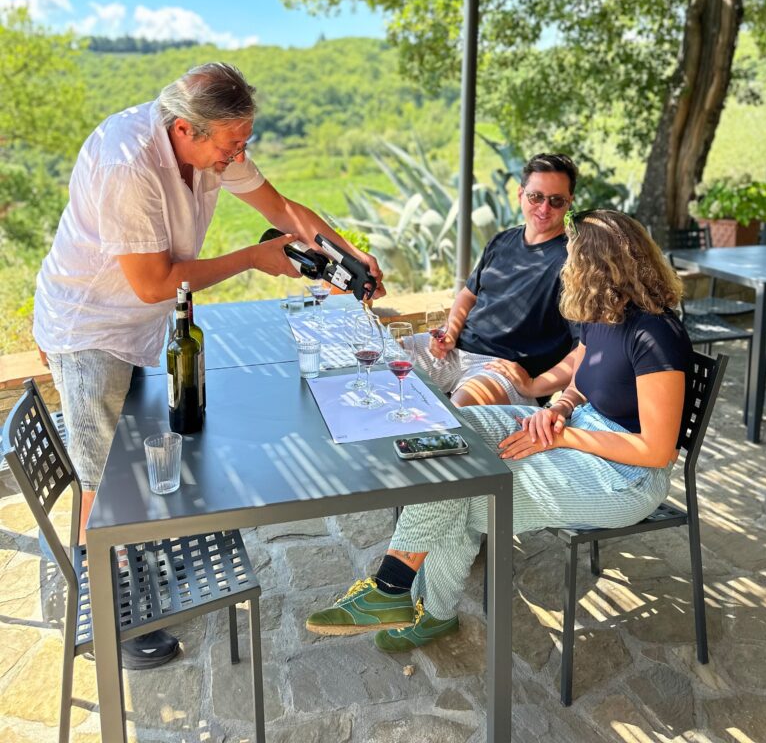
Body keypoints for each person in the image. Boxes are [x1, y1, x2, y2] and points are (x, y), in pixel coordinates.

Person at [34, 61, 383, 668]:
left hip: (138, 326)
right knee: (105, 485)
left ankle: (129, 562)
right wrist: (252, 259)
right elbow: (154, 283)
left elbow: (280, 207)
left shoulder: (212, 139)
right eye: (231, 146)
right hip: (90, 330)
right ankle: (110, 620)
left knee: (131, 466)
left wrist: (348, 253)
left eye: (242, 142)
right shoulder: (127, 164)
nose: (238, 156)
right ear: (185, 131)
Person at [306, 210, 693, 655]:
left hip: (625, 476)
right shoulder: (602, 313)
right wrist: (560, 408)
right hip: (579, 430)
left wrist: (563, 436)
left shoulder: (656, 335)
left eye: (571, 259)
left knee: (471, 492)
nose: (565, 268)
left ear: (595, 266)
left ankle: (408, 598)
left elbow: (656, 450)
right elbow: (584, 379)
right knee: (450, 431)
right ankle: (404, 598)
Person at [412, 153, 579, 407]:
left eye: (556, 201)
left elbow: (586, 348)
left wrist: (535, 385)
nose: (544, 208)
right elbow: (469, 295)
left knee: (457, 417)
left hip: (503, 371)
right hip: (457, 352)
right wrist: (449, 333)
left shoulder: (574, 262)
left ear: (570, 203)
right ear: (520, 194)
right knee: (385, 360)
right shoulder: (502, 242)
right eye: (536, 197)